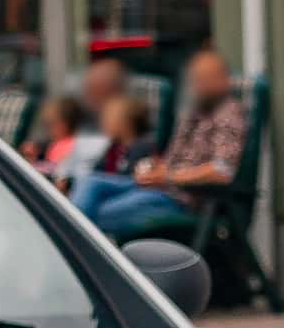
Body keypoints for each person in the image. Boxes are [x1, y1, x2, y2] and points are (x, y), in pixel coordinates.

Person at [71, 47, 244, 235]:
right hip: (159, 187)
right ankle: (69, 235)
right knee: (91, 181)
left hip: (182, 200)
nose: (199, 85)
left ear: (224, 80)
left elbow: (222, 170)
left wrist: (169, 176)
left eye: (206, 79)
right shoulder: (197, 111)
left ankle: (67, 242)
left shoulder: (228, 114)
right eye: (196, 79)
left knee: (100, 212)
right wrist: (156, 168)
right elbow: (173, 162)